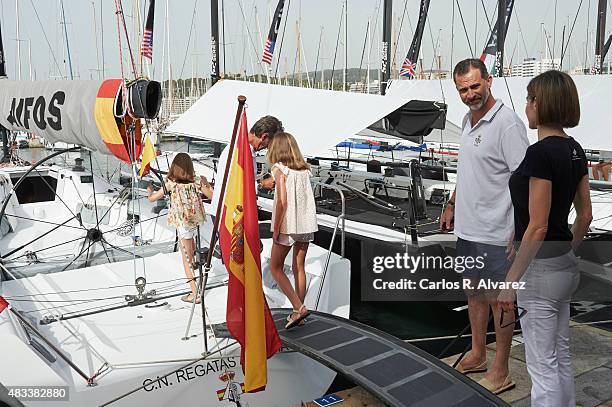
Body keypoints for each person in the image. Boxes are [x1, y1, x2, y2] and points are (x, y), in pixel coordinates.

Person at [499, 70, 592, 407]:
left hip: (538, 270)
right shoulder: (575, 149)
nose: (526, 106)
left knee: (541, 364)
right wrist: (566, 251)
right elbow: (585, 216)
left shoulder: (540, 154)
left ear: (540, 103)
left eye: (528, 98)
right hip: (565, 264)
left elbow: (538, 226)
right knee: (561, 354)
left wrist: (511, 281)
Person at [440, 58, 530, 394]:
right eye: (463, 89)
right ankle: (478, 353)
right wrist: (451, 204)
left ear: (489, 81)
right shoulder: (466, 119)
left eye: (475, 86)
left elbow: (525, 181)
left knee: (502, 301)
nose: (469, 94)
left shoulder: (507, 124)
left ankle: (501, 370)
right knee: (475, 293)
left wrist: (519, 232)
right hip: (468, 228)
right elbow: (467, 172)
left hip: (498, 232)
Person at [267, 132, 318, 329]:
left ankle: (299, 307)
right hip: (305, 225)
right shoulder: (305, 170)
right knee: (299, 267)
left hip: (288, 224)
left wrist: (276, 227)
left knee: (275, 268)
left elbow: (283, 200)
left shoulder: (279, 169)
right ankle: (299, 313)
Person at [147, 153, 213, 303]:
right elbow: (212, 196)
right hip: (195, 221)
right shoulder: (197, 181)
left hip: (183, 224)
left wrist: (149, 190)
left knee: (186, 260)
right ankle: (196, 263)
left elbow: (152, 199)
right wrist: (207, 184)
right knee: (191, 247)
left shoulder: (171, 183)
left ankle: (195, 294)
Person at [208, 115, 283, 221]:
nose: (267, 148)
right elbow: (235, 184)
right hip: (228, 213)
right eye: (268, 144)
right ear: (264, 137)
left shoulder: (242, 149)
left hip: (229, 210)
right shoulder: (239, 151)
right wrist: (262, 185)